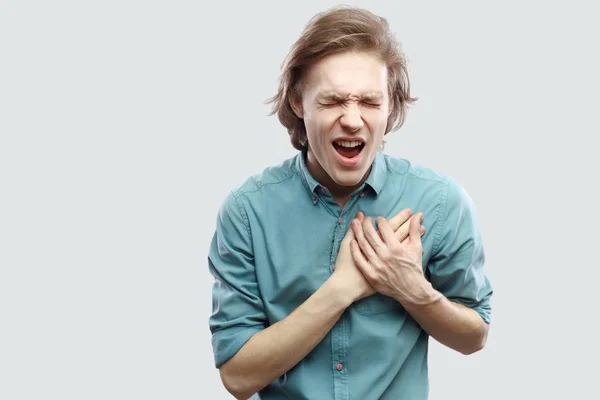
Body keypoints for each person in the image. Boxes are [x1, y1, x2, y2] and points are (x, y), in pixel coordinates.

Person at [207, 6, 493, 400]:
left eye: (370, 103)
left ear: (391, 105)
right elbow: (238, 378)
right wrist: (342, 288)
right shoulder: (247, 212)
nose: (353, 120)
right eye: (333, 101)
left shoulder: (442, 202)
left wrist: (411, 289)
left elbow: (474, 336)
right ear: (297, 101)